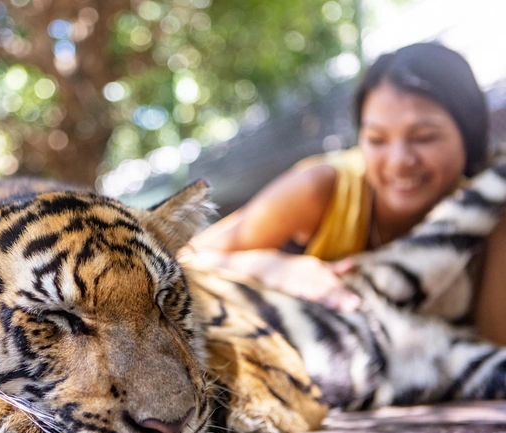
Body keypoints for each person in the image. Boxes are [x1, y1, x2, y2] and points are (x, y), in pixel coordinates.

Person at [182, 42, 506, 344]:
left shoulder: (486, 210)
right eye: (377, 139)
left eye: (424, 137)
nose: (399, 161)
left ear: (469, 134)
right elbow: (181, 261)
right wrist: (272, 267)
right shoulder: (322, 188)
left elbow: (496, 345)